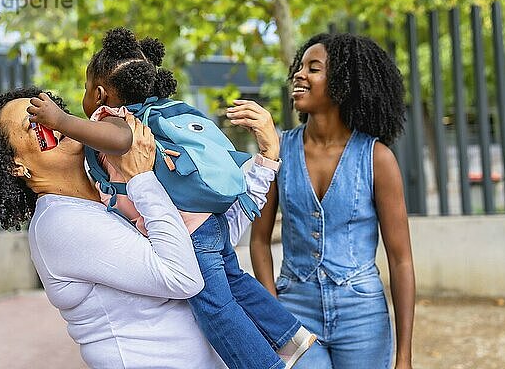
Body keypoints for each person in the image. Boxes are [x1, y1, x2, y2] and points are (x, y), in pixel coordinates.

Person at [26, 27, 315, 369]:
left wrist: (60, 119)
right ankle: (289, 335)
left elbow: (117, 141)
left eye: (86, 90)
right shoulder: (159, 115)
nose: (85, 99)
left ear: (100, 94)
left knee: (216, 307)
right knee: (236, 281)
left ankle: (264, 364)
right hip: (209, 223)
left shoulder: (120, 123)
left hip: (192, 233)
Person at [0, 85, 294, 368]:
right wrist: (144, 178)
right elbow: (184, 278)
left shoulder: (107, 189)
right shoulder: (59, 224)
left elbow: (205, 248)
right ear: (16, 166)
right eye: (34, 124)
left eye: (49, 110)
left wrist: (265, 161)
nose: (53, 123)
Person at [246, 33, 415, 369]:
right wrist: (273, 314)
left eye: (314, 68)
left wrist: (405, 356)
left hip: (362, 314)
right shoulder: (279, 152)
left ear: (342, 83)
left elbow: (401, 260)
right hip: (295, 311)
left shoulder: (377, 158)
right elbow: (259, 240)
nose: (299, 75)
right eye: (299, 67)